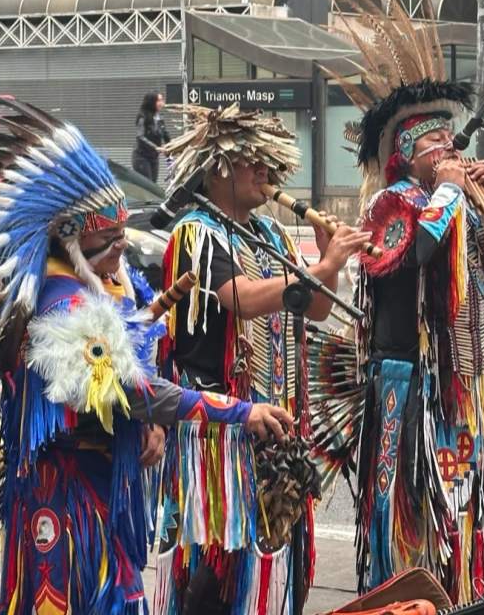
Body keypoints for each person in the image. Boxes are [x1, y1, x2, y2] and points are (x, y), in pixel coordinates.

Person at [0, 87, 291, 615]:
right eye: (112, 239)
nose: (123, 251)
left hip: (101, 489)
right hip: (65, 497)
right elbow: (135, 389)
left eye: (123, 236)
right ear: (72, 240)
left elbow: (142, 353)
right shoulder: (63, 304)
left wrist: (154, 426)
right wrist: (240, 411)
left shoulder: (102, 281)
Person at [319, 0, 484, 604]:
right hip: (410, 385)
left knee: (460, 505)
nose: (449, 149)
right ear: (405, 151)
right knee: (410, 506)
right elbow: (411, 256)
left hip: (463, 384)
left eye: (449, 140)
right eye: (435, 143)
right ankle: (402, 595)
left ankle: (456, 590)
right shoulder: (391, 203)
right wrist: (452, 191)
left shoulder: (465, 201)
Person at [155, 104, 373, 615]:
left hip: (271, 423)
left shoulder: (270, 235)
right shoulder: (196, 233)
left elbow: (315, 306)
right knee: (218, 563)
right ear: (219, 167)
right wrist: (322, 265)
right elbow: (242, 297)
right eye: (255, 163)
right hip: (218, 428)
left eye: (271, 165)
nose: (268, 176)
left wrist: (327, 265)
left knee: (275, 565)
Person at [132, 91, 170, 182]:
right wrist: (156, 148)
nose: (162, 103)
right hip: (142, 157)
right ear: (152, 102)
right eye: (159, 100)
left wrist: (171, 146)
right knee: (147, 185)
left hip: (154, 157)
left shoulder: (159, 117)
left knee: (153, 186)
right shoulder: (143, 116)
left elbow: (165, 134)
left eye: (162, 100)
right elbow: (140, 137)